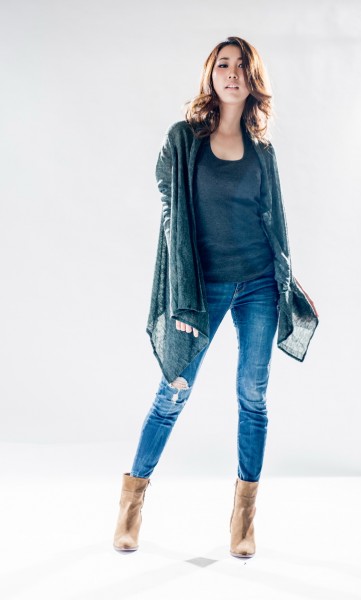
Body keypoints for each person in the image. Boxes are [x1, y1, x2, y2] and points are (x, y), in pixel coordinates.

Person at [113, 36, 319, 559]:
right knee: (174, 390)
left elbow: (275, 223)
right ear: (211, 74)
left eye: (241, 66)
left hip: (259, 283)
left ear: (252, 81)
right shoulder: (183, 139)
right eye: (223, 64)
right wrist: (182, 293)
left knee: (253, 395)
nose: (231, 73)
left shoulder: (263, 151)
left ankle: (243, 517)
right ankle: (131, 504)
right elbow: (170, 215)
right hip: (204, 286)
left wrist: (288, 282)